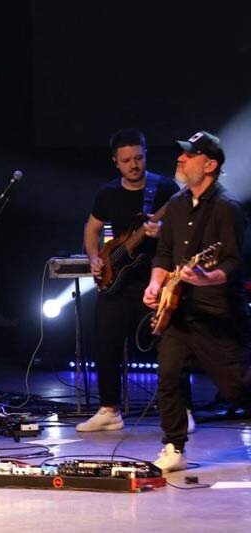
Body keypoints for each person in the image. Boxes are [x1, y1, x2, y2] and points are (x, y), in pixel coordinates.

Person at [143, 130, 251, 473]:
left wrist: (207, 277)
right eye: (182, 154)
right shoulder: (176, 204)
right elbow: (164, 253)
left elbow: (232, 264)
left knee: (237, 386)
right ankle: (174, 446)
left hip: (217, 312)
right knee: (168, 374)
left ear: (209, 165)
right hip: (178, 311)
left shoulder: (227, 208)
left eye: (190, 155)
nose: (181, 159)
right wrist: (155, 284)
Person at [78, 128, 181, 432]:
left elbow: (185, 228)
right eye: (126, 160)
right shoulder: (107, 193)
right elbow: (92, 228)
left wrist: (163, 232)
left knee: (170, 345)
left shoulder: (166, 189)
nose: (134, 165)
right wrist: (94, 258)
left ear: (145, 154)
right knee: (105, 342)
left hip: (156, 280)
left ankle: (181, 408)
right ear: (115, 162)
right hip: (117, 281)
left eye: (138, 158)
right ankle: (109, 409)